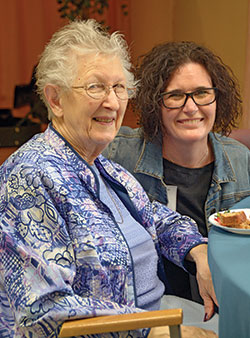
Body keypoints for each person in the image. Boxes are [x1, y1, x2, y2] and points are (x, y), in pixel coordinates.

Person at [0, 22, 218, 338]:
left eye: (119, 87)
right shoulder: (29, 179)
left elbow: (155, 217)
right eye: (95, 87)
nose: (113, 103)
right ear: (56, 99)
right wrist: (157, 331)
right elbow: (43, 312)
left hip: (157, 313)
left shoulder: (101, 165)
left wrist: (197, 250)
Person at [103, 41, 250, 306]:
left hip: (226, 304)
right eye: (175, 96)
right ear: (154, 104)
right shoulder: (117, 154)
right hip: (151, 310)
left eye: (202, 93)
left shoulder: (240, 160)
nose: (191, 107)